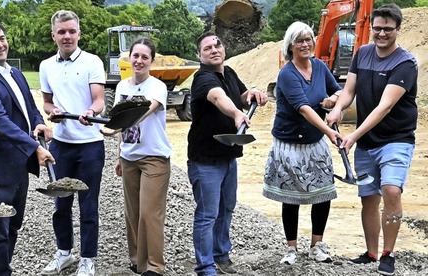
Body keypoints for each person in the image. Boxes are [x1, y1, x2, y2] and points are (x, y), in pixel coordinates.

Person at [326, 4, 418, 276]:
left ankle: (388, 255)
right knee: (368, 197)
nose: (380, 33)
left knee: (391, 190)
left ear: (397, 30)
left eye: (387, 29)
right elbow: (348, 90)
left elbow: (384, 106)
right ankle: (370, 253)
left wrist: (353, 135)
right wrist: (337, 108)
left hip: (396, 139)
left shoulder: (405, 63)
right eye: (376, 28)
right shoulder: (362, 53)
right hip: (368, 143)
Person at [0, 20, 55, 275]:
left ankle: (3, 268)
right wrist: (34, 148)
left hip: (17, 164)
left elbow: (30, 108)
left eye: (2, 38)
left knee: (13, 225)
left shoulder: (15, 73)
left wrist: (38, 125)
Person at [187, 32, 268, 276]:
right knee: (207, 214)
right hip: (205, 160)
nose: (214, 49)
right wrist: (235, 114)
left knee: (227, 208)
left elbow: (240, 96)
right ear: (199, 55)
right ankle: (205, 266)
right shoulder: (202, 78)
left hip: (228, 155)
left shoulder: (229, 72)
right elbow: (218, 97)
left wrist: (251, 93)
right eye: (207, 48)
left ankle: (221, 256)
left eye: (217, 45)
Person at [262, 21, 343, 266]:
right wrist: (329, 131)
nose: (305, 44)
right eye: (300, 41)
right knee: (292, 195)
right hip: (290, 143)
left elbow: (338, 91)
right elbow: (304, 108)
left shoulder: (319, 67)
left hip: (314, 140)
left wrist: (333, 103)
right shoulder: (286, 74)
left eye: (308, 39)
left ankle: (316, 245)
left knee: (322, 194)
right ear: (291, 46)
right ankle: (291, 248)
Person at [39, 10, 106, 276]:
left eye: (72, 31)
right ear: (54, 34)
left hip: (90, 144)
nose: (67, 36)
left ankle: (88, 259)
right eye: (62, 32)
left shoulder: (92, 61)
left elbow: (99, 99)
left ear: (79, 33)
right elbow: (46, 102)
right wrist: (51, 110)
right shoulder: (46, 66)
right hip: (61, 145)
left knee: (88, 205)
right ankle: (64, 253)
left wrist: (91, 112)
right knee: (61, 205)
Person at [106, 38, 171, 276]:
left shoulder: (157, 87)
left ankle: (154, 266)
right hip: (129, 157)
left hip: (154, 157)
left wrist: (113, 127)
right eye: (136, 56)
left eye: (145, 57)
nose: (139, 61)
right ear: (129, 58)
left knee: (149, 212)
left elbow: (145, 111)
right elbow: (125, 129)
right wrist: (119, 156)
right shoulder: (122, 87)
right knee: (132, 212)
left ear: (152, 61)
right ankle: (136, 260)